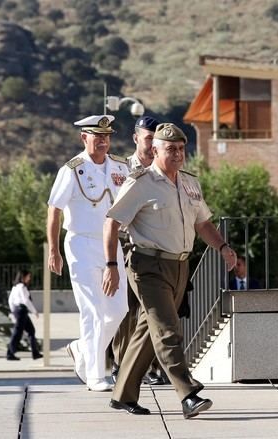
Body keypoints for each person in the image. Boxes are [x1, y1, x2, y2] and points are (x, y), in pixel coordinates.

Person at [102, 123, 237, 419]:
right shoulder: (140, 182)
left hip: (180, 265)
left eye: (180, 148)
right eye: (169, 149)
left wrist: (224, 247)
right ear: (154, 151)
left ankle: (123, 394)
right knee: (167, 330)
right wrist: (111, 265)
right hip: (147, 265)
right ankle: (187, 393)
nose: (177, 154)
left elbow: (202, 223)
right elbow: (112, 223)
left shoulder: (190, 183)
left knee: (149, 333)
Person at [47, 114, 129, 392]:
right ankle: (95, 375)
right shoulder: (72, 170)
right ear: (85, 138)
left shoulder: (120, 167)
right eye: (98, 136)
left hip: (111, 244)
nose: (104, 141)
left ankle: (82, 348)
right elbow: (54, 209)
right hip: (80, 244)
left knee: (119, 310)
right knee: (93, 311)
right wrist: (54, 250)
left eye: (107, 136)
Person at [110, 115, 166, 385]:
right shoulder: (120, 169)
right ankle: (121, 365)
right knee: (127, 310)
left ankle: (154, 367)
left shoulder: (163, 169)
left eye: (156, 139)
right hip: (125, 245)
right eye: (147, 138)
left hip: (155, 247)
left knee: (155, 310)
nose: (151, 143)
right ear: (135, 138)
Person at [6, 270, 42, 361]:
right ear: (23, 277)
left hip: (20, 311)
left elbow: (10, 301)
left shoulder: (15, 287)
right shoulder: (22, 287)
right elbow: (26, 300)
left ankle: (35, 353)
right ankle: (10, 353)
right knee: (18, 333)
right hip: (21, 311)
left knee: (30, 331)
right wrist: (34, 311)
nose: (29, 278)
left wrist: (13, 311)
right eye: (28, 276)